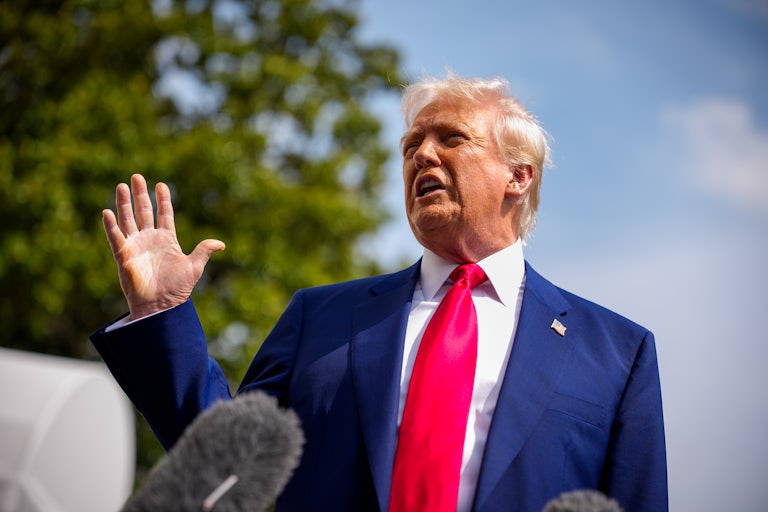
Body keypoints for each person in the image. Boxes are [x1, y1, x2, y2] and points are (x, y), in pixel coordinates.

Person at [91, 74, 667, 512]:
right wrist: (163, 313)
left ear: (519, 176)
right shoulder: (319, 316)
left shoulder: (617, 353)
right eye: (412, 143)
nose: (422, 154)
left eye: (451, 138)